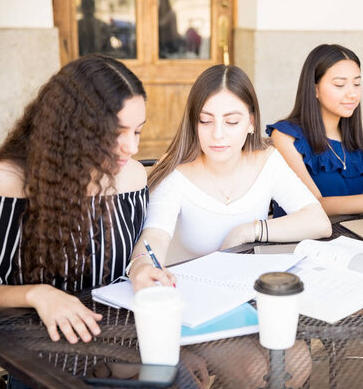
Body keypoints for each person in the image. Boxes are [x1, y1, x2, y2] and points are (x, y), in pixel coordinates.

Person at [128, 64, 329, 388]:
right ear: (193, 123)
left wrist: (249, 230)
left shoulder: (267, 160)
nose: (218, 134)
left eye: (231, 121)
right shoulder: (177, 176)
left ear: (251, 122)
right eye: (206, 121)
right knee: (253, 371)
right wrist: (141, 267)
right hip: (193, 307)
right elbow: (153, 239)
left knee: (298, 360)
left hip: (245, 299)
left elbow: (318, 221)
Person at [0, 54, 174, 347]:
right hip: (39, 349)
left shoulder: (131, 177)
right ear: (74, 130)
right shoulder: (5, 182)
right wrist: (37, 294)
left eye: (137, 130)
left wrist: (140, 266)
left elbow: (137, 248)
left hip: (120, 342)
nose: (133, 147)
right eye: (116, 133)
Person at [267, 44, 363, 217]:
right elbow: (313, 204)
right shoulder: (286, 137)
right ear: (314, 88)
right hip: (299, 240)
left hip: (345, 237)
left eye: (357, 83)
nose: (352, 94)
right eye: (340, 85)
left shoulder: (351, 139)